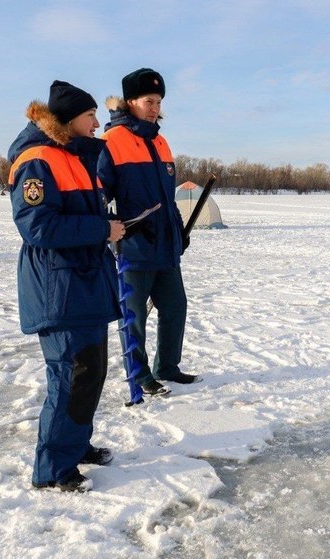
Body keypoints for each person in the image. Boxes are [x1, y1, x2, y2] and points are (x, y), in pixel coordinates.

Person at [8, 80, 125, 492]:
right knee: (71, 376)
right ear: (69, 118)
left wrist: (109, 226)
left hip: (84, 283)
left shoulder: (74, 156)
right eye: (91, 115)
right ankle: (53, 468)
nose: (98, 123)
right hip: (59, 287)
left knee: (90, 373)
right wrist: (101, 228)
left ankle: (75, 444)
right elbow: (38, 226)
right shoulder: (38, 159)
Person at [98, 68, 198, 396]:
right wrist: (110, 228)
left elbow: (165, 199)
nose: (154, 107)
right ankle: (140, 376)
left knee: (175, 308)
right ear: (131, 102)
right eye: (148, 101)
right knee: (135, 318)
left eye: (158, 101)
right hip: (134, 248)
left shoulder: (161, 141)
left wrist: (177, 230)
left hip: (166, 246)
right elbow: (98, 193)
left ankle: (168, 366)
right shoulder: (111, 141)